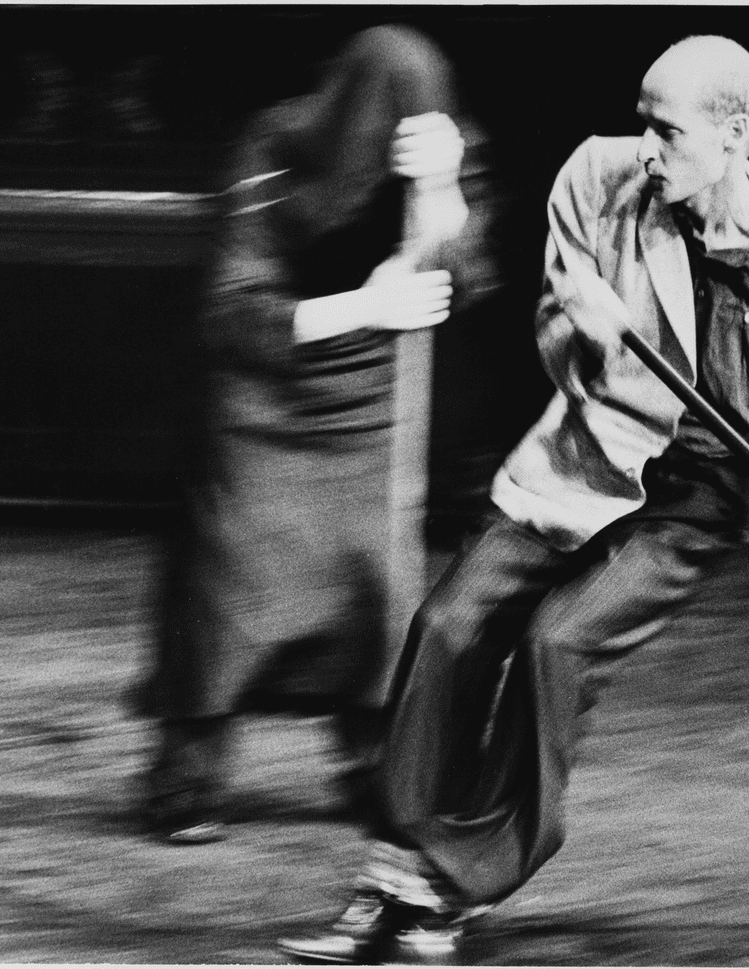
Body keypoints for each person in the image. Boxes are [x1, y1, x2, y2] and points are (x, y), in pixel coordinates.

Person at [278, 34, 749, 965]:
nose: (646, 148)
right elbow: (556, 344)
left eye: (667, 131)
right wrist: (592, 331)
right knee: (450, 624)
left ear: (735, 135)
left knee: (556, 644)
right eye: (642, 123)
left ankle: (452, 885)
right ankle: (394, 869)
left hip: (699, 499)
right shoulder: (596, 177)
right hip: (583, 460)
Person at [133, 25, 495, 845]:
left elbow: (464, 279)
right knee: (231, 580)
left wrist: (441, 192)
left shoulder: (449, 150)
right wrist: (357, 308)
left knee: (377, 585)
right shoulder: (276, 141)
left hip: (372, 403)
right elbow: (229, 311)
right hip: (266, 393)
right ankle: (186, 769)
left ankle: (368, 762)